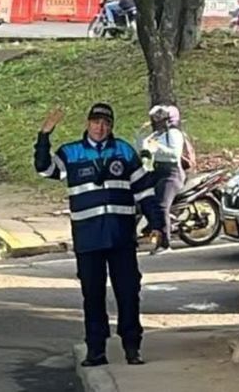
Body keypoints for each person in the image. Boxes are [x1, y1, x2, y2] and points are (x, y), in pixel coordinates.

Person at [35, 103, 162, 367]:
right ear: (87, 123)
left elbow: (144, 191)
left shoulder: (124, 151)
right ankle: (96, 350)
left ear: (111, 126)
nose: (100, 127)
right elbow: (45, 169)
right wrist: (44, 136)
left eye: (105, 123)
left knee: (128, 292)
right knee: (92, 296)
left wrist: (157, 223)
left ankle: (132, 347)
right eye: (95, 122)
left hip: (120, 237)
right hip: (88, 239)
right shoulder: (71, 152)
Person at [141, 105, 188, 255]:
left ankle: (165, 244)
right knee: (143, 197)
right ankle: (152, 227)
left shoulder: (174, 134)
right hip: (157, 171)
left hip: (171, 174)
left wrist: (157, 147)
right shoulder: (157, 135)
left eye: (161, 120)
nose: (157, 123)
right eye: (155, 120)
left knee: (161, 206)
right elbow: (145, 151)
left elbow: (174, 154)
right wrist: (142, 140)